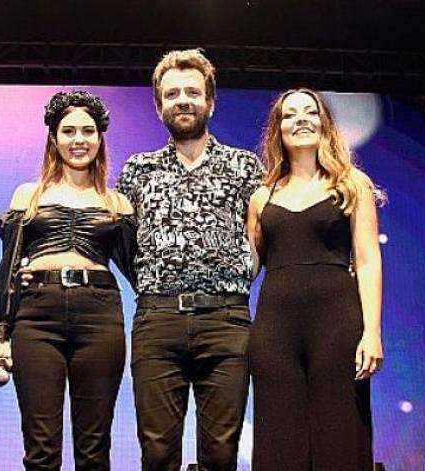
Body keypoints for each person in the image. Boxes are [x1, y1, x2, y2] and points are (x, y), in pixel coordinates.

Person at [116, 49, 264, 470]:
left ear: (210, 102)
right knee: (158, 451)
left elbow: (260, 237)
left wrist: (235, 277)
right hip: (158, 321)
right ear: (159, 106)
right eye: (172, 94)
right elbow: (125, 246)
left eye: (193, 92)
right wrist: (154, 283)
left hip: (226, 321)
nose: (183, 100)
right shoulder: (137, 170)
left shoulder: (244, 166)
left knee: (221, 452)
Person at [0, 91, 136, 470]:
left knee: (94, 449)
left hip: (100, 317)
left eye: (88, 131)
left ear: (100, 138)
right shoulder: (29, 195)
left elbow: (141, 271)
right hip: (37, 317)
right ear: (54, 138)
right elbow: (8, 268)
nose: (78, 139)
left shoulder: (118, 203)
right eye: (69, 131)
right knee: (41, 450)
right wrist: (0, 335)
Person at [246, 88, 382, 470]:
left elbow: (368, 260)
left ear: (325, 123)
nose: (301, 120)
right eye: (290, 115)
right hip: (275, 330)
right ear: (278, 129)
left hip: (337, 323)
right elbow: (248, 267)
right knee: (279, 437)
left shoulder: (352, 184)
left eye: (310, 111)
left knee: (341, 431)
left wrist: (372, 331)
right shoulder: (261, 197)